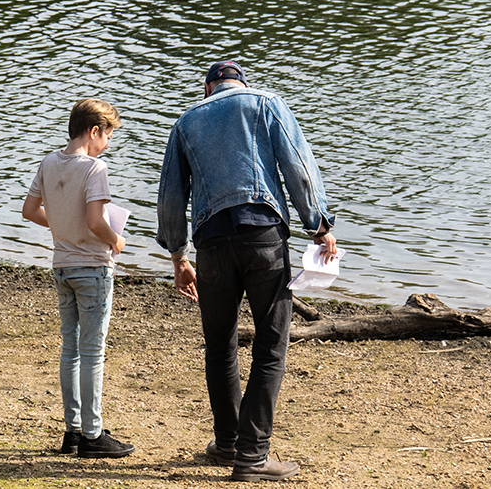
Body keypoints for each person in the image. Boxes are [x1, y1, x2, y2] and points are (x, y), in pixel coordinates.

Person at [157, 61, 337, 482]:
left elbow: (170, 196)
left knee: (219, 346)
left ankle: (226, 444)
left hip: (211, 245)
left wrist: (178, 256)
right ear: (242, 83)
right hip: (264, 241)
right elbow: (298, 166)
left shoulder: (185, 123)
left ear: (208, 89)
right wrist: (319, 225)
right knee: (271, 347)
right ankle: (253, 455)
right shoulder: (267, 103)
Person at [21, 98, 135, 459]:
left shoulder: (49, 161)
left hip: (62, 266)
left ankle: (72, 431)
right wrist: (116, 240)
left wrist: (62, 223)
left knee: (70, 349)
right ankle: (92, 434)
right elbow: (95, 222)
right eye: (109, 135)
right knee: (92, 351)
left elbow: (29, 210)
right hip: (92, 267)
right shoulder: (94, 168)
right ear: (95, 131)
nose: (108, 144)